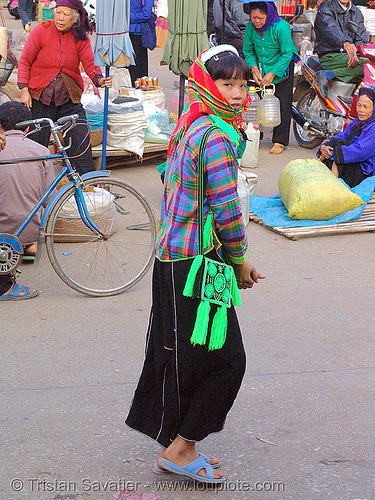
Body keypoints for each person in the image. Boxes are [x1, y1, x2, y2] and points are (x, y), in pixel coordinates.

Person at [126, 45, 265, 484]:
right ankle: (182, 449)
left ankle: (178, 443)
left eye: (243, 84)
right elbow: (227, 211)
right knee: (226, 360)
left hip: (179, 260)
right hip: (199, 265)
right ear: (208, 84)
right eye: (228, 83)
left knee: (186, 353)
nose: (239, 92)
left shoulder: (193, 123)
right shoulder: (217, 136)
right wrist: (241, 263)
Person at [17, 0, 112, 176]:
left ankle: (85, 185)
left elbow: (90, 63)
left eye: (65, 14)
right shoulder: (41, 31)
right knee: (35, 145)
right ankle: (32, 183)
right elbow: (25, 61)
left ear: (75, 19)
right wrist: (24, 90)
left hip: (69, 98)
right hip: (41, 97)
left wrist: (99, 80)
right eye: (58, 12)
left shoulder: (80, 37)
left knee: (80, 140)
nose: (60, 18)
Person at [0, 102, 55, 301]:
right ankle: (26, 246)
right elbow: (50, 198)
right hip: (30, 228)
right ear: (27, 128)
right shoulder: (41, 150)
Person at [243, 2, 299, 155]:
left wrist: (273, 73)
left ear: (269, 15)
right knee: (256, 102)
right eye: (253, 17)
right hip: (260, 69)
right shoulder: (250, 28)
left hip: (281, 68)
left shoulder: (281, 27)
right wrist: (254, 68)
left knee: (282, 103)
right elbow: (248, 51)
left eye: (260, 17)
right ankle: (255, 136)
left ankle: (279, 141)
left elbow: (287, 53)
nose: (257, 21)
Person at [317, 86, 375, 187]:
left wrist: (334, 153)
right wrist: (325, 147)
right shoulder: (357, 122)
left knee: (339, 158)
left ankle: (333, 189)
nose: (361, 110)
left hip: (365, 170)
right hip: (353, 161)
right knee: (336, 145)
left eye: (366, 107)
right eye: (359, 105)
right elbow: (342, 136)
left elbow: (361, 151)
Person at [314, 0, 370, 96]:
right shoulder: (326, 7)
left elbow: (361, 38)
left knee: (370, 65)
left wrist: (355, 52)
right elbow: (330, 29)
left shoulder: (356, 12)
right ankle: (327, 74)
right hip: (330, 55)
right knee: (367, 66)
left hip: (351, 56)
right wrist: (345, 43)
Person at [129, 0, 156, 85]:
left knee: (138, 70)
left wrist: (127, 17)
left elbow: (146, 14)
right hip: (124, 33)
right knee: (127, 70)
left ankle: (138, 93)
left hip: (138, 34)